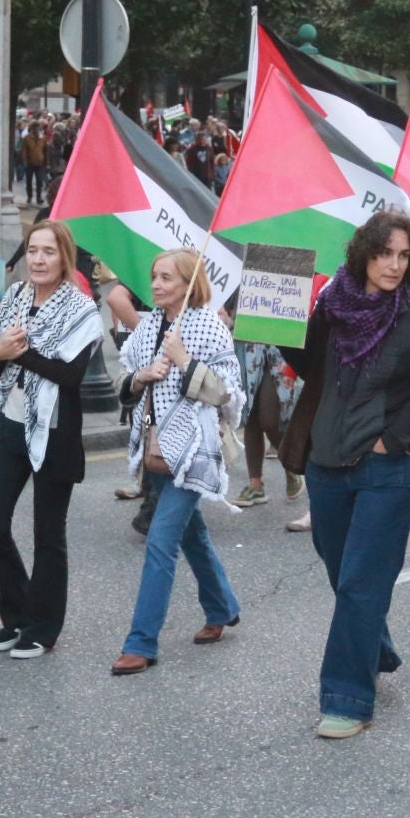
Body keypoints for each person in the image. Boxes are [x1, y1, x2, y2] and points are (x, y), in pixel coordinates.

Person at [279, 212, 410, 739]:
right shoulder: (334, 302)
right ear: (364, 253)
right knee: (341, 573)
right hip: (327, 459)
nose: (394, 265)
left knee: (360, 583)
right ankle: (375, 646)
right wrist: (272, 324)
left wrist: (392, 440)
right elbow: (310, 365)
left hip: (386, 468)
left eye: (404, 256)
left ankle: (347, 700)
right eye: (384, 253)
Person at [0, 221, 102, 661]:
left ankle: (44, 627)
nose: (39, 259)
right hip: (12, 421)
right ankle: (18, 613)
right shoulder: (14, 297)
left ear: (64, 258)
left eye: (48, 251)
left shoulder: (81, 310)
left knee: (48, 534)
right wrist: (0, 353)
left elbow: (70, 375)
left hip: (55, 430)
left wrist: (21, 353)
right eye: (32, 250)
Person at [112, 250, 245, 676]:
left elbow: (227, 394)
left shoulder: (210, 326)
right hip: (156, 451)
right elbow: (123, 378)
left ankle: (141, 643)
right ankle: (221, 606)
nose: (156, 284)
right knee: (192, 535)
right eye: (155, 276)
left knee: (160, 541)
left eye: (167, 277)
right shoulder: (148, 325)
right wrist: (142, 376)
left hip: (194, 451)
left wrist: (185, 361)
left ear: (189, 283)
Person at [235, 342, 303, 508]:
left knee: (269, 419)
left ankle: (291, 463)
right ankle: (255, 485)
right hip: (248, 344)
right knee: (250, 414)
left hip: (279, 345)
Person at [20, 124, 48, 203]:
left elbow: (46, 150)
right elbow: (24, 151)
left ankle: (39, 197)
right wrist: (25, 161)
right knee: (29, 181)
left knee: (39, 181)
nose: (37, 131)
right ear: (32, 129)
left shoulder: (43, 138)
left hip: (40, 163)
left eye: (38, 129)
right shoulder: (27, 138)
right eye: (35, 129)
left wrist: (46, 162)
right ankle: (29, 196)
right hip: (30, 163)